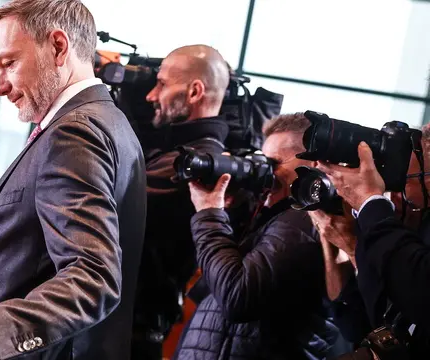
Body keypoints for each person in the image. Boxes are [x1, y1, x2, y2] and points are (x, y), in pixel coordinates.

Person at [0, 1, 146, 359]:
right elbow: (50, 246)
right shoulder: (107, 122)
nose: (0, 87)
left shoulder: (76, 133)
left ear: (59, 47)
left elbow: (92, 276)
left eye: (9, 64)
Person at [174, 113, 340, 360]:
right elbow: (213, 290)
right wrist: (231, 211)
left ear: (315, 166)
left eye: (275, 163)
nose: (266, 172)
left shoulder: (307, 221)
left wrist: (209, 215)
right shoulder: (274, 217)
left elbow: (236, 297)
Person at [131, 44, 231, 359]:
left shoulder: (195, 165)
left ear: (194, 92)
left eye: (161, 84)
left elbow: (109, 201)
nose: (150, 95)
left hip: (131, 334)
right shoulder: (177, 155)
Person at [316, 124, 430, 357]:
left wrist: (370, 203)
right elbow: (358, 326)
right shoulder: (405, 228)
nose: (392, 192)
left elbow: (422, 294)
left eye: (399, 180)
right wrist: (341, 241)